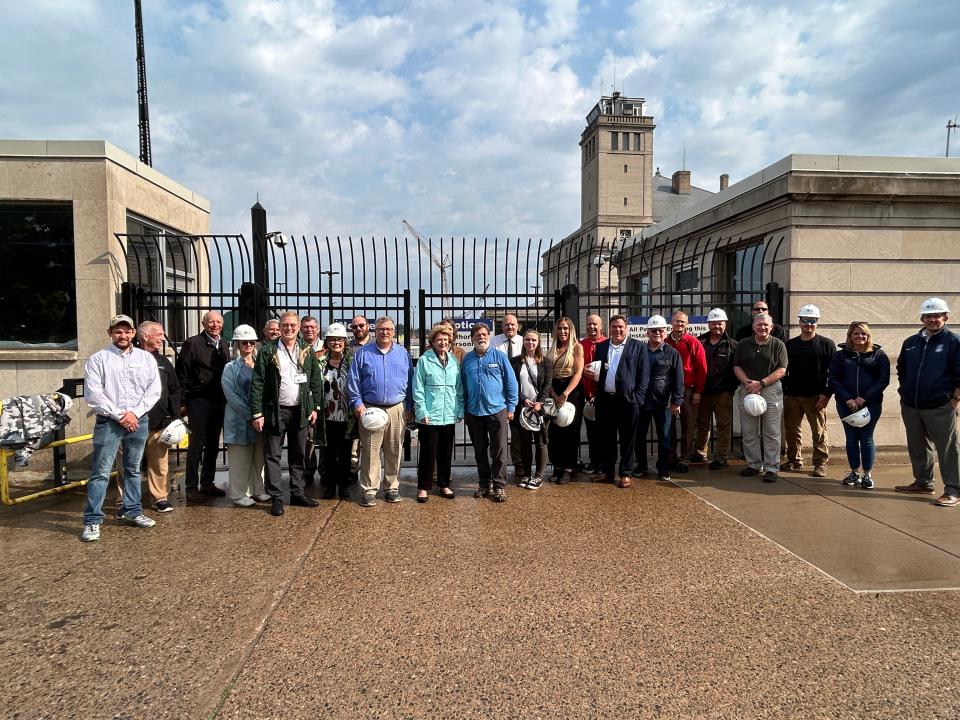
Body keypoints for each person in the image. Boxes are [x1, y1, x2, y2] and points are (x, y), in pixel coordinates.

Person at [80, 315, 161, 542]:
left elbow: (153, 390)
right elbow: (94, 394)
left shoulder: (146, 359)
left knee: (133, 469)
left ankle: (132, 511)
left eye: (127, 331)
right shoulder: (98, 359)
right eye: (118, 331)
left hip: (138, 420)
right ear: (110, 333)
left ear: (134, 333)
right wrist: (120, 415)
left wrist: (134, 413)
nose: (123, 335)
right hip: (109, 422)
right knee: (101, 472)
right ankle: (93, 520)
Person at [250, 312, 323, 517]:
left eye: (292, 325)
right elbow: (258, 382)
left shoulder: (307, 351)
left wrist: (315, 407)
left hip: (300, 411)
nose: (289, 328)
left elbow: (315, 381)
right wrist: (257, 413)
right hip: (275, 410)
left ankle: (297, 493)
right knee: (272, 454)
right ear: (279, 327)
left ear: (298, 327)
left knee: (298, 453)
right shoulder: (268, 350)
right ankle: (276, 497)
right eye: (285, 325)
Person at [894, 298, 960, 506]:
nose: (932, 319)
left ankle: (953, 489)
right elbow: (901, 369)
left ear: (945, 317)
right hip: (911, 404)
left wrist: (955, 397)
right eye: (928, 316)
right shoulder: (911, 342)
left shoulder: (953, 341)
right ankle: (923, 482)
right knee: (917, 445)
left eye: (937, 316)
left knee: (947, 448)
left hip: (940, 404)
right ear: (922, 318)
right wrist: (904, 391)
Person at [347, 316, 413, 507]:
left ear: (394, 332)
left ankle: (391, 487)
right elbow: (353, 381)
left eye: (389, 329)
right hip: (370, 408)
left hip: (396, 408)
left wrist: (409, 406)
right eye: (381, 329)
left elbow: (410, 381)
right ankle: (369, 489)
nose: (385, 332)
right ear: (375, 331)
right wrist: (358, 404)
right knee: (370, 451)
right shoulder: (363, 354)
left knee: (394, 450)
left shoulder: (403, 354)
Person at [828, 321, 890, 489]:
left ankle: (867, 474)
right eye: (856, 333)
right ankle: (854, 472)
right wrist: (847, 398)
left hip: (871, 405)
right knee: (851, 438)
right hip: (845, 405)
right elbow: (833, 379)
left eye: (863, 334)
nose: (860, 336)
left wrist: (865, 397)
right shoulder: (840, 356)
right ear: (850, 336)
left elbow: (883, 380)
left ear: (868, 336)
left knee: (866, 438)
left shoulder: (879, 355)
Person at [586, 315, 646, 488]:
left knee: (628, 438)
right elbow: (599, 371)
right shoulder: (602, 346)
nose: (618, 330)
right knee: (606, 438)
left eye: (620, 327)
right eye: (614, 327)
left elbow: (644, 374)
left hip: (628, 401)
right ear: (609, 329)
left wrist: (638, 398)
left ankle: (625, 473)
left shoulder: (637, 347)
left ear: (626, 328)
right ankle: (607, 471)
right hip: (606, 400)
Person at [176, 310, 229, 502]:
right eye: (211, 322)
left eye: (218, 322)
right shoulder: (192, 343)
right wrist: (182, 402)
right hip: (198, 400)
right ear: (203, 323)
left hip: (218, 400)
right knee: (196, 445)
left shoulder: (223, 344)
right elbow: (182, 373)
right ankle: (191, 486)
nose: (215, 325)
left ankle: (207, 482)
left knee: (214, 444)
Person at [461, 323, 518, 502]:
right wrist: (463, 410)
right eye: (477, 335)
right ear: (472, 338)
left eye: (484, 334)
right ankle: (484, 483)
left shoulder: (499, 357)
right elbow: (462, 386)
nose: (481, 337)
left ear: (489, 336)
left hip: (497, 410)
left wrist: (511, 407)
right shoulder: (467, 360)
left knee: (499, 450)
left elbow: (511, 383)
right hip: (474, 412)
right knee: (479, 450)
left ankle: (499, 485)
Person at [733, 312, 788, 482]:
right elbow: (736, 366)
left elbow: (782, 369)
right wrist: (749, 383)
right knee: (749, 431)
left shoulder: (778, 345)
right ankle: (754, 465)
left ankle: (772, 468)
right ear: (753, 326)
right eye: (759, 324)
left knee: (771, 432)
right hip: (748, 389)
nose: (762, 327)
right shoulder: (743, 344)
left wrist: (761, 383)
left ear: (771, 327)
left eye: (766, 325)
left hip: (770, 390)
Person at [782, 304, 836, 477]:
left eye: (812, 321)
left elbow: (834, 372)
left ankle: (820, 464)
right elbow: (783, 369)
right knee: (791, 430)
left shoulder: (827, 345)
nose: (809, 324)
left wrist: (827, 394)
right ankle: (794, 460)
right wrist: (785, 390)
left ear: (817, 322)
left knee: (819, 431)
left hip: (816, 397)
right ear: (799, 322)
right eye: (805, 320)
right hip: (793, 395)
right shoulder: (790, 345)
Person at [412, 323, 463, 502]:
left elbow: (459, 389)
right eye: (439, 340)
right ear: (432, 342)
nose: (442, 343)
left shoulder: (454, 362)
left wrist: (459, 410)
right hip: (430, 415)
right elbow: (418, 388)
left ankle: (444, 484)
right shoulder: (425, 361)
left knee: (445, 452)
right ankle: (423, 487)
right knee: (428, 452)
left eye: (446, 340)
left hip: (448, 414)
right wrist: (421, 411)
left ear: (450, 343)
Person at [221, 324, 268, 507]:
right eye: (243, 342)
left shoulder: (260, 364)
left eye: (250, 342)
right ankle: (238, 493)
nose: (247, 345)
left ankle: (258, 489)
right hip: (239, 420)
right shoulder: (230, 368)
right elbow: (232, 395)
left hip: (259, 420)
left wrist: (261, 415)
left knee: (258, 458)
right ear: (237, 344)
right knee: (240, 459)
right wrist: (252, 415)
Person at [138, 321, 180, 513]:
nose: (162, 338)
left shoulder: (164, 362)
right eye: (159, 334)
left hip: (159, 422)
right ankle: (124, 501)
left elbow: (174, 389)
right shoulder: (132, 359)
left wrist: (174, 415)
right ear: (145, 336)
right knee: (128, 466)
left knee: (159, 463)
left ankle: (159, 498)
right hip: (133, 422)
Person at [636, 315, 684, 482]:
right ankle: (641, 466)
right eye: (653, 330)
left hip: (663, 403)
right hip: (642, 402)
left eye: (660, 330)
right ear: (647, 332)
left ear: (665, 332)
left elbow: (679, 379)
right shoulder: (640, 351)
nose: (657, 332)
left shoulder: (673, 353)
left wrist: (677, 401)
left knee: (664, 438)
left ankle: (663, 468)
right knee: (639, 436)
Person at [693, 308, 738, 470]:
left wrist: (730, 390)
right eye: (713, 323)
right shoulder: (699, 342)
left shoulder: (733, 345)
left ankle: (721, 457)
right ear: (708, 324)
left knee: (723, 426)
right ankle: (699, 453)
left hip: (723, 393)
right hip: (703, 392)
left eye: (720, 323)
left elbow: (736, 368)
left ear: (725, 324)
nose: (717, 326)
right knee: (702, 424)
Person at [316, 323, 356, 501]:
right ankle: (330, 486)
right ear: (327, 341)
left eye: (340, 339)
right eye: (332, 339)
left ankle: (344, 486)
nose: (336, 342)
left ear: (345, 341)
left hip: (347, 416)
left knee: (346, 454)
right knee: (329, 453)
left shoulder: (351, 361)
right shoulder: (319, 360)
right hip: (326, 416)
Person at [510, 329, 553, 489]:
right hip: (523, 409)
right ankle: (527, 474)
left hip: (539, 409)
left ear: (538, 342)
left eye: (534, 340)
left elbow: (548, 385)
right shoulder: (515, 361)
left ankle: (538, 476)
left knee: (541, 442)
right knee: (525, 443)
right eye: (527, 339)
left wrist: (539, 403)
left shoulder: (546, 362)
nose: (530, 343)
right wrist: (523, 399)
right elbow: (513, 385)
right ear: (523, 341)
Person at [665, 311, 707, 473]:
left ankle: (684, 457)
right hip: (669, 390)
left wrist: (698, 391)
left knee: (688, 425)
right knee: (669, 426)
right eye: (677, 321)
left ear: (687, 324)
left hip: (688, 391)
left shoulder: (693, 342)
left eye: (682, 322)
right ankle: (671, 456)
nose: (679, 324)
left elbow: (701, 369)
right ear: (671, 323)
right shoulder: (665, 342)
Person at [546, 316, 584, 483]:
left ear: (571, 331)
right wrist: (553, 394)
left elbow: (578, 373)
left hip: (571, 390)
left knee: (570, 431)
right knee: (554, 432)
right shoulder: (551, 348)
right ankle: (557, 466)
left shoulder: (577, 347)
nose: (562, 331)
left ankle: (569, 467)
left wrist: (565, 394)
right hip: (554, 388)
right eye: (560, 328)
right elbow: (548, 375)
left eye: (566, 329)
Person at [491, 314, 524, 477]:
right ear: (501, 327)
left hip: (519, 393)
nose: (509, 327)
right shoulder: (493, 342)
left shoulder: (524, 341)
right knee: (497, 431)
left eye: (512, 324)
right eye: (506, 325)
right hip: (497, 394)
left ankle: (519, 463)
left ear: (518, 326)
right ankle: (497, 465)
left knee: (517, 431)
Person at [300, 315, 325, 487]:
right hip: (305, 399)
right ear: (301, 329)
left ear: (318, 329)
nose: (309, 329)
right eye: (306, 327)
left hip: (328, 397)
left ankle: (325, 470)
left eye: (313, 327)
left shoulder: (326, 346)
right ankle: (308, 469)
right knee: (307, 437)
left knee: (324, 437)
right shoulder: (297, 347)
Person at [580, 314, 607, 473]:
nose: (591, 327)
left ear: (600, 326)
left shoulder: (607, 343)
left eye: (595, 324)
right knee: (591, 432)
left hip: (604, 394)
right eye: (589, 324)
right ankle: (594, 461)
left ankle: (604, 462)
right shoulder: (581, 344)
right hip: (586, 394)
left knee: (605, 430)